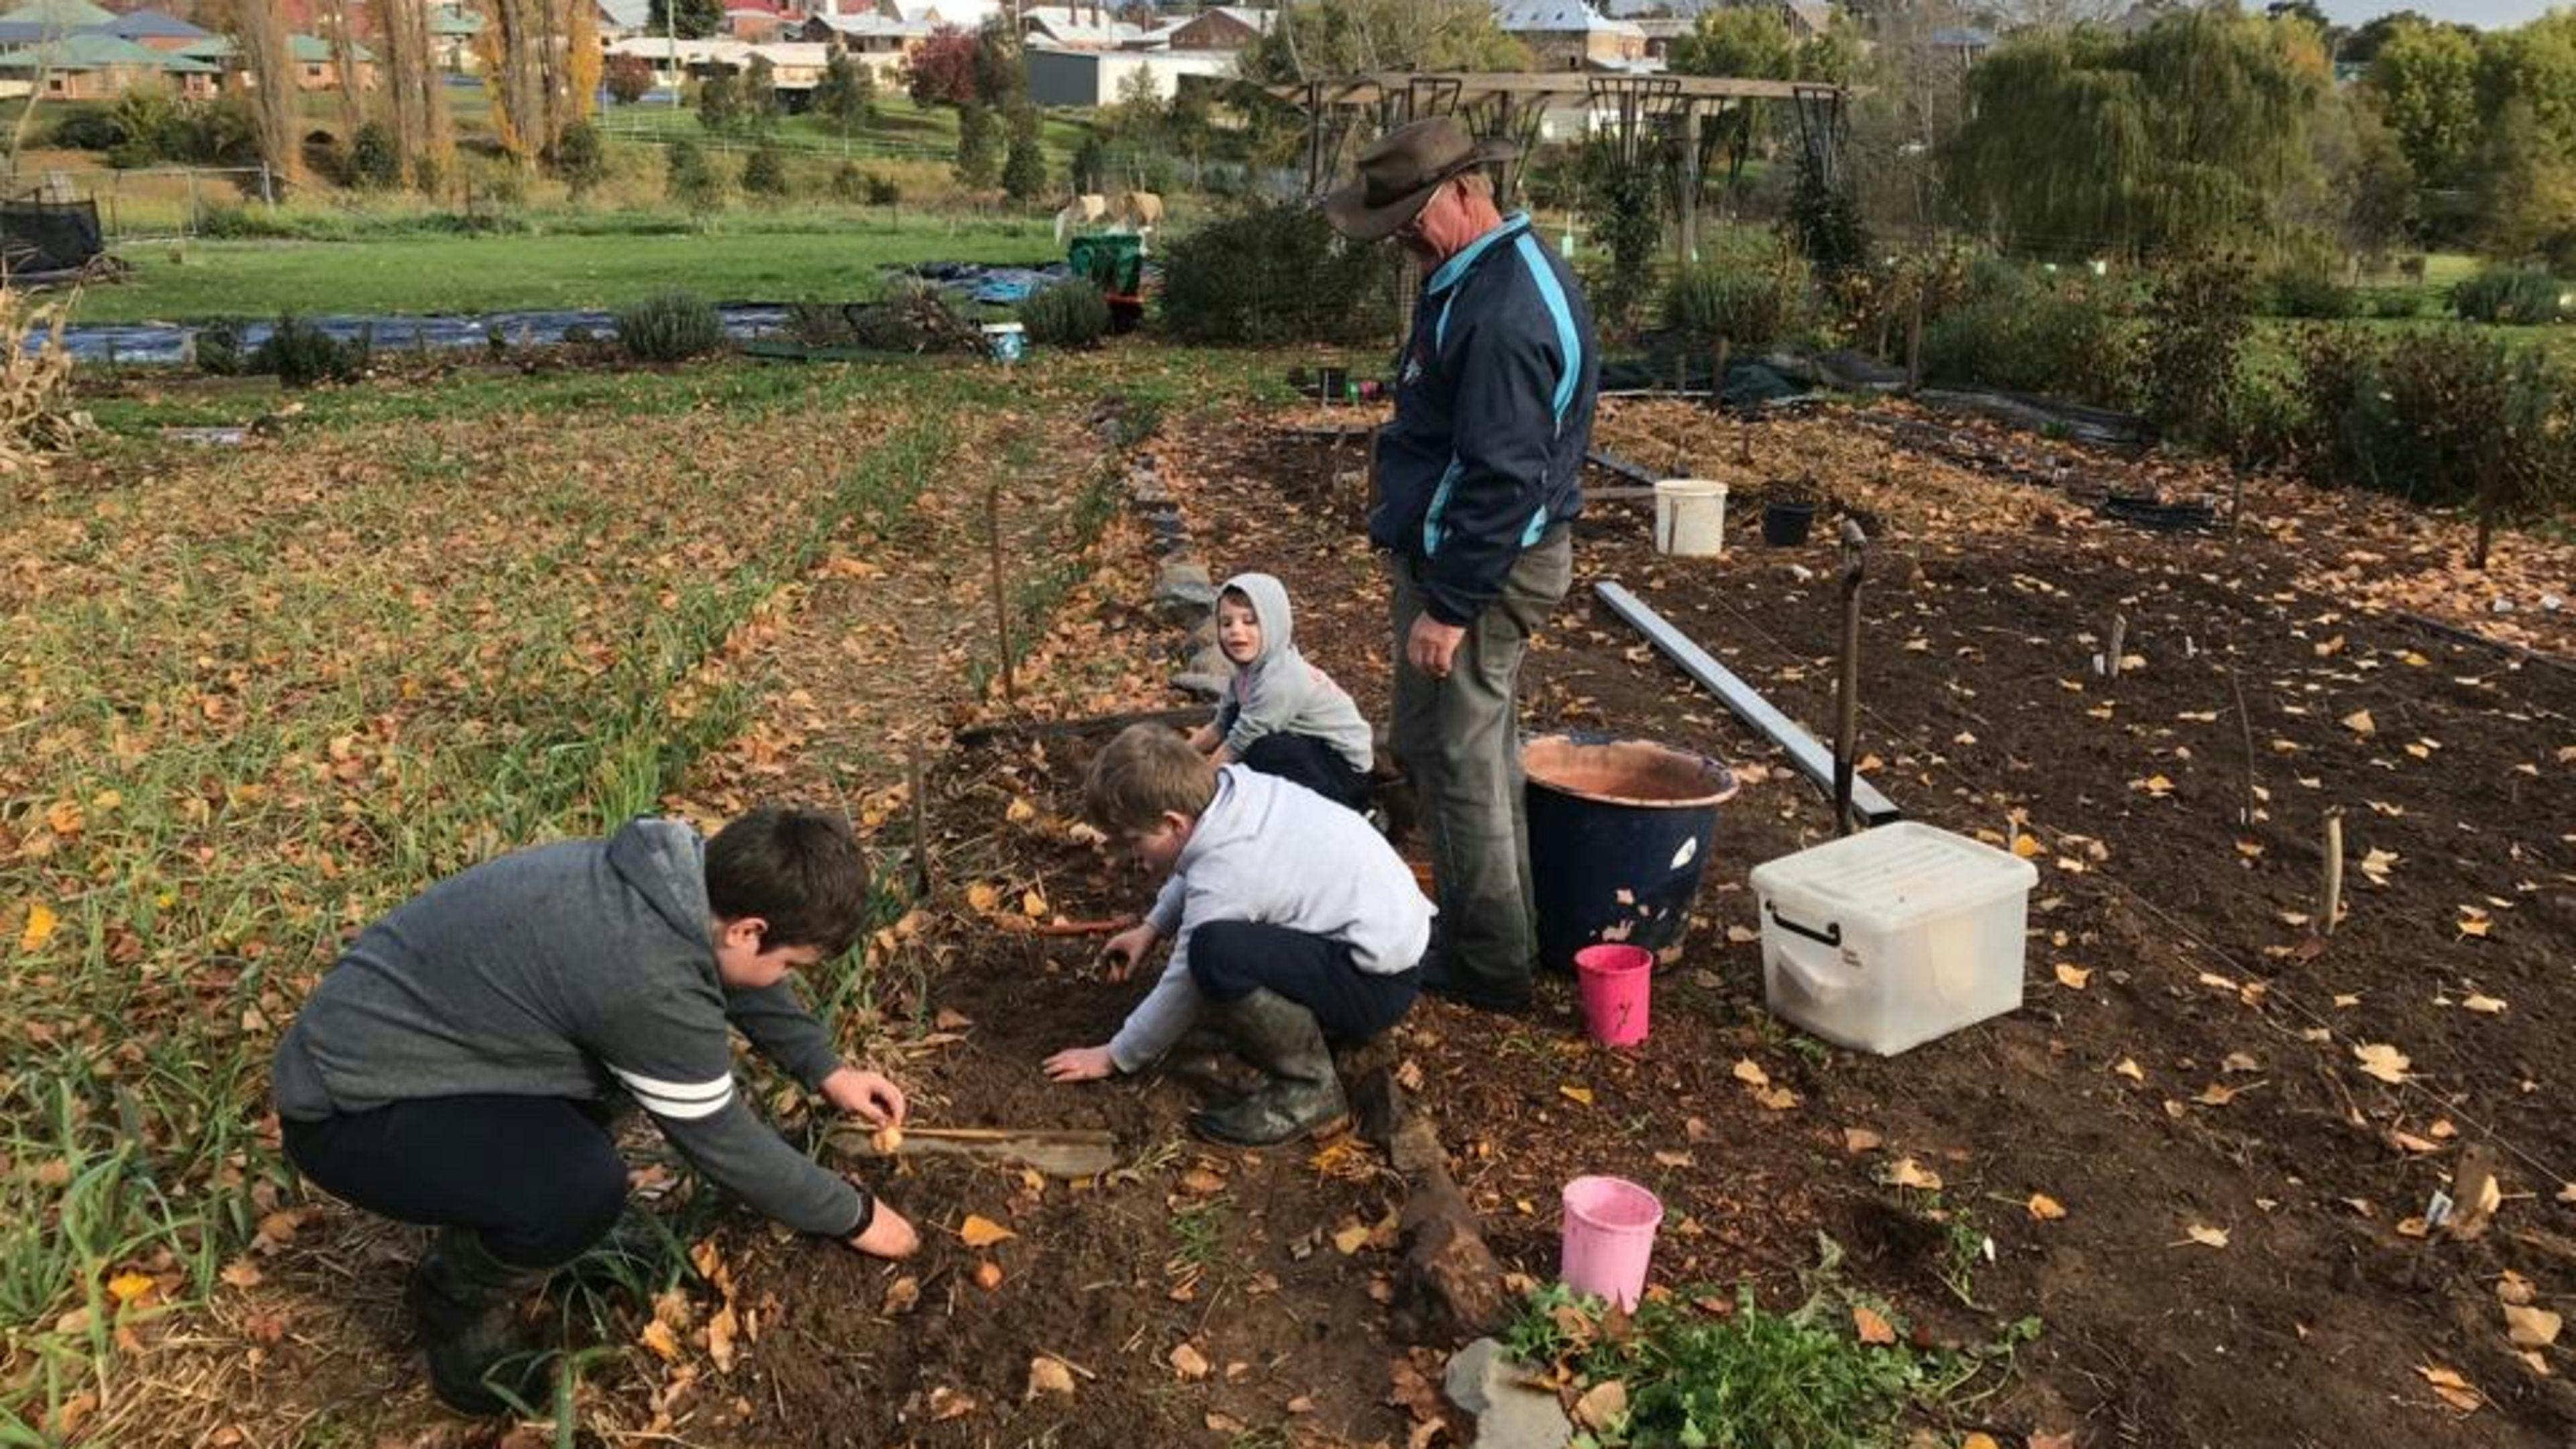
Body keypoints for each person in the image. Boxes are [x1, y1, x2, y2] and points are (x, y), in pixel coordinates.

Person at [270, 806, 920, 1416]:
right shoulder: (641, 974)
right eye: (790, 963)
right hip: (350, 1110)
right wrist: (852, 1214)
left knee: (589, 1123)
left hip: (421, 1053)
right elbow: (721, 1140)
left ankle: (542, 1231)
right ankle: (456, 1304)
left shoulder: (678, 878)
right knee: (576, 1186)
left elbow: (729, 971)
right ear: (749, 928)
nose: (785, 977)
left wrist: (826, 1069)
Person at [1324, 116, 1599, 1014]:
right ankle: (1496, 926)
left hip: (1482, 572)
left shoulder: (1507, 313)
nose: (1404, 242)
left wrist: (1449, 604)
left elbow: (1502, 477)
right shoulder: (1474, 278)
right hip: (1458, 562)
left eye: (1412, 221)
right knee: (1452, 749)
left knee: (1462, 758)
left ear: (1468, 191)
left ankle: (1487, 961)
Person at [1042, 724, 1432, 1146]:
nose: (1133, 856)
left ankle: (1308, 1088)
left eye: (1135, 842)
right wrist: (1151, 929)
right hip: (1383, 943)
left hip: (1374, 985)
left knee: (1216, 954)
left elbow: (1184, 981)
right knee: (1226, 946)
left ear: (1173, 823)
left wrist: (1117, 1055)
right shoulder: (1235, 792)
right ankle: (1288, 1027)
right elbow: (1198, 862)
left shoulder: (1232, 868)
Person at [1185, 572, 1375, 810]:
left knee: (1264, 751)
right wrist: (1178, 758)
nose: (1236, 630)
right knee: (1237, 719)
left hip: (1344, 770)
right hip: (1308, 748)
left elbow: (1238, 744)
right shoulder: (1245, 672)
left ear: (1273, 623)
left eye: (1250, 621)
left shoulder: (1282, 679)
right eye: (1226, 623)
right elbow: (1220, 725)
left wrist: (1196, 791)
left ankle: (1349, 810)